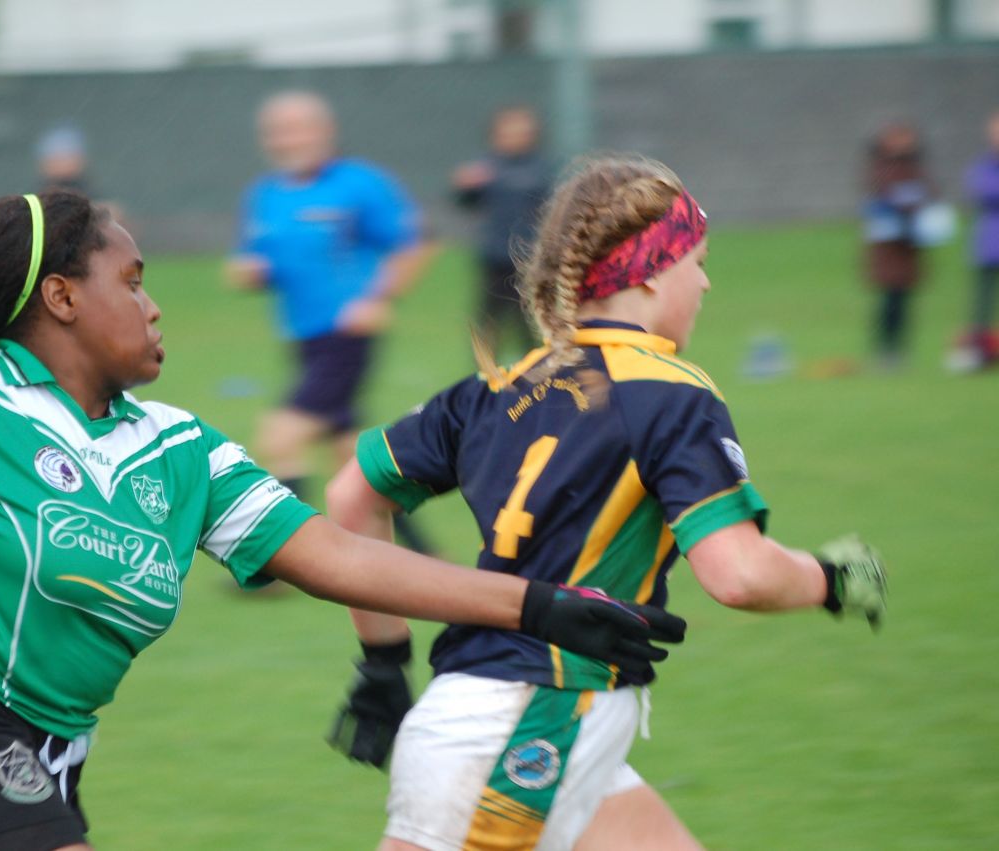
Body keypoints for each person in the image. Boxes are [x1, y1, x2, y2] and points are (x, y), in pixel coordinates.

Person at [0, 189, 686, 851]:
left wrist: (540, 605)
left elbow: (335, 554)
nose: (152, 304)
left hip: (38, 762)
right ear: (60, 297)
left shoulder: (179, 447)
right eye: (130, 280)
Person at [325, 155, 888, 851]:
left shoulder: (498, 385)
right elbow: (738, 573)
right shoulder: (671, 391)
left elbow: (353, 492)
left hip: (529, 723)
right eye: (699, 262)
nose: (707, 282)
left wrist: (382, 661)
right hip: (528, 726)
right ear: (651, 270)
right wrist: (831, 577)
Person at [226, 89, 436, 553]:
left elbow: (412, 243)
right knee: (351, 463)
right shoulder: (265, 195)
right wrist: (250, 271)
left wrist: (378, 298)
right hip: (303, 340)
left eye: (298, 128)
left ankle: (279, 564)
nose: (288, 139)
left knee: (280, 438)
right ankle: (424, 556)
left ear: (325, 132)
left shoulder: (359, 184)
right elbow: (253, 258)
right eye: (278, 131)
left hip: (346, 338)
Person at [452, 105, 554, 357]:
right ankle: (485, 378)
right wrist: (465, 186)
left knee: (530, 324)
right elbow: (465, 202)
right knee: (488, 323)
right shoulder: (486, 168)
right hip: (494, 258)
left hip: (530, 260)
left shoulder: (542, 169)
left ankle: (538, 379)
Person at [862, 122, 936, 369]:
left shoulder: (914, 167)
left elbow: (930, 192)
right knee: (888, 301)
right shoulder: (881, 167)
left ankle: (900, 351)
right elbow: (880, 195)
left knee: (904, 300)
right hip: (888, 244)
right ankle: (885, 351)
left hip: (908, 243)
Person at [954, 109, 999, 371]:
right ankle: (978, 355)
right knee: (982, 304)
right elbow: (981, 189)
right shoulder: (983, 165)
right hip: (989, 244)